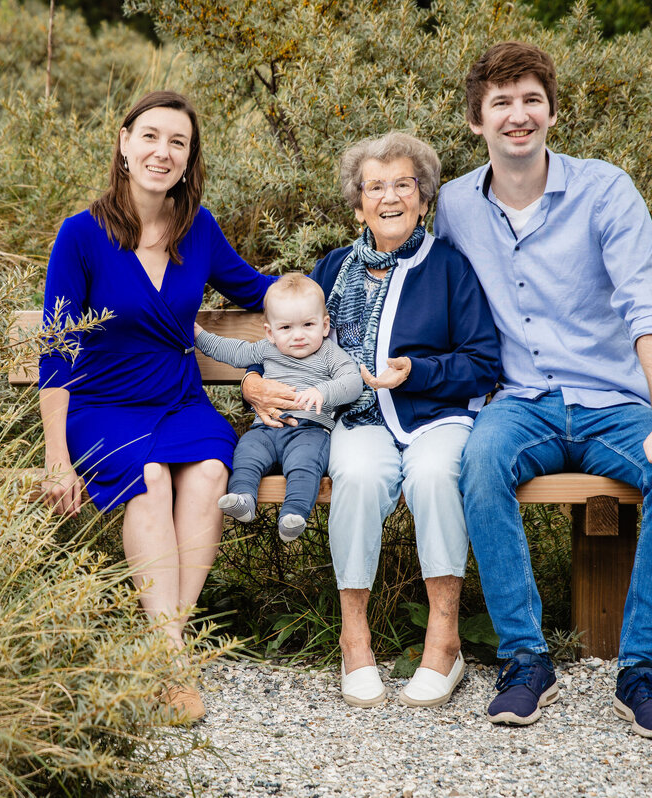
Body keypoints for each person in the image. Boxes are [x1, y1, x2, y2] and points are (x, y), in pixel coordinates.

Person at [435, 42, 652, 738]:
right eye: (501, 103)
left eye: (531, 99)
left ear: (552, 111)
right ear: (476, 121)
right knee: (480, 463)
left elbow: (647, 308)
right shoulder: (455, 206)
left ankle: (642, 671)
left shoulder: (606, 190)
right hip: (520, 404)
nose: (517, 115)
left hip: (614, 402)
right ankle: (526, 659)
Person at [38, 90, 273, 722]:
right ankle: (173, 663)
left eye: (178, 142)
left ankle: (165, 646)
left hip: (178, 398)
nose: (161, 152)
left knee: (210, 472)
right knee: (146, 481)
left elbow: (255, 289)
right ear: (123, 142)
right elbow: (56, 352)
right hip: (102, 404)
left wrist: (344, 283)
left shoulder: (197, 228)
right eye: (150, 137)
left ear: (190, 157)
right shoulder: (81, 235)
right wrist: (57, 458)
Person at [243, 132, 500, 709]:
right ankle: (353, 639)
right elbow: (292, 344)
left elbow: (483, 364)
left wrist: (417, 371)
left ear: (424, 198)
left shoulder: (451, 268)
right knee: (356, 479)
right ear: (358, 203)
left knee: (436, 479)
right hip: (356, 420)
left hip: (436, 418)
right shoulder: (332, 268)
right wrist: (256, 383)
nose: (389, 197)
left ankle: (444, 641)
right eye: (375, 186)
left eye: (403, 185)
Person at [193, 274, 362, 542]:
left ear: (325, 325)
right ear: (270, 333)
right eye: (286, 328)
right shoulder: (266, 350)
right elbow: (232, 351)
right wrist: (197, 333)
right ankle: (243, 498)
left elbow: (353, 381)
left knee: (304, 464)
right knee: (247, 450)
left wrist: (323, 391)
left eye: (308, 324)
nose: (298, 336)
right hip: (267, 427)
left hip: (311, 430)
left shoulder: (330, 354)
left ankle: (293, 516)